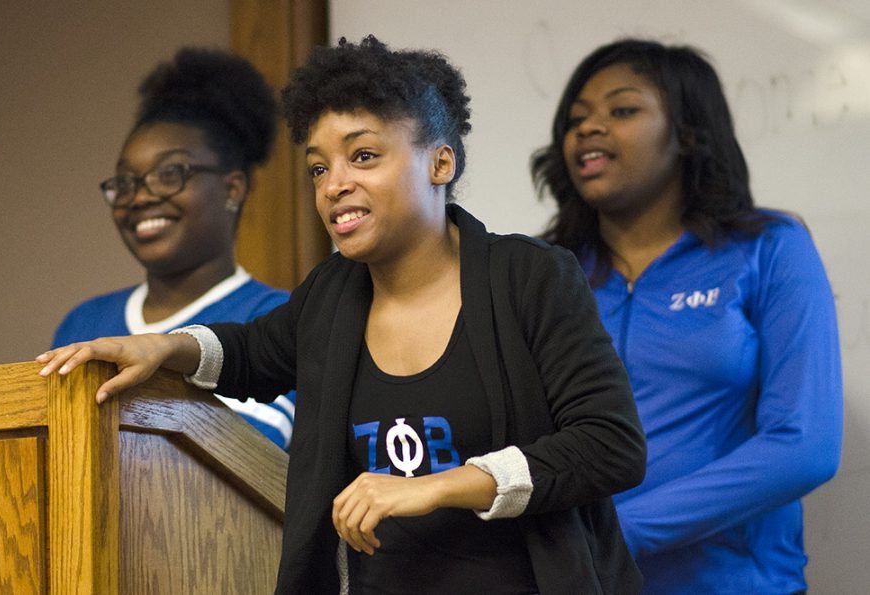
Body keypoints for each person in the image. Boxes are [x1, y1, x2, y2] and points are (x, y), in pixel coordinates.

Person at [39, 36, 646, 594]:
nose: (334, 185)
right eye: (319, 168)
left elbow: (609, 444)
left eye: (363, 156)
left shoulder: (531, 276)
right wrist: (165, 349)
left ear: (440, 164)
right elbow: (254, 353)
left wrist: (437, 486)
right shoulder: (332, 294)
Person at [531, 38, 843, 594]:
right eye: (576, 119)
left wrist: (623, 532)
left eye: (621, 110)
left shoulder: (769, 248)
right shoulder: (547, 274)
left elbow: (805, 445)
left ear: (689, 134)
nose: (588, 128)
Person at [50, 47, 295, 450]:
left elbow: (251, 467)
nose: (141, 197)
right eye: (126, 182)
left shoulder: (274, 321)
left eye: (170, 174)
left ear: (232, 188)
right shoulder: (82, 324)